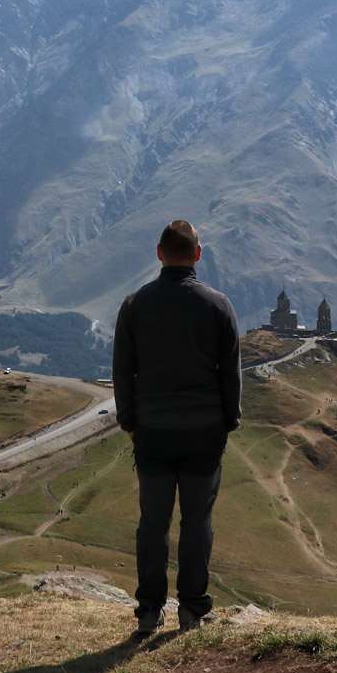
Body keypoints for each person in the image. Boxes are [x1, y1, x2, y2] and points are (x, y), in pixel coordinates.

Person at [110, 219, 241, 636]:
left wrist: (130, 422)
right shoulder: (218, 305)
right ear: (198, 255)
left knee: (154, 522)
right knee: (197, 520)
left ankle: (150, 610)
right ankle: (193, 609)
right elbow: (230, 374)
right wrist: (228, 420)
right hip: (204, 432)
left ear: (159, 253)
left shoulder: (135, 305)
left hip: (152, 432)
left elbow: (123, 371)